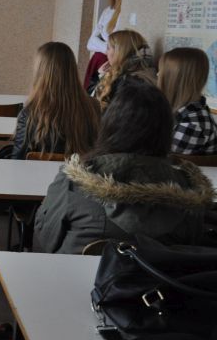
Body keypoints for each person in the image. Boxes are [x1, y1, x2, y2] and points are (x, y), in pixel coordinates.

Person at [34, 77, 214, 255]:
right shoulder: (191, 193)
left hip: (75, 272)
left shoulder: (73, 181)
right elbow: (191, 247)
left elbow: (45, 240)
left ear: (109, 125)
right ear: (166, 132)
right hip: (161, 275)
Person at [12, 42, 100, 159]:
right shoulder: (94, 107)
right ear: (72, 69)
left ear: (40, 72)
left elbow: (17, 160)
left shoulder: (29, 114)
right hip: (80, 170)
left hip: (37, 171)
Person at [158, 47, 217, 155]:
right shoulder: (186, 110)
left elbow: (159, 159)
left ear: (173, 79)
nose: (158, 75)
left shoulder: (191, 125)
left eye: (161, 71)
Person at [93, 29, 155, 110]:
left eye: (108, 48)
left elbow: (98, 108)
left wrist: (99, 77)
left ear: (119, 52)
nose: (106, 52)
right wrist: (100, 76)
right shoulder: (130, 75)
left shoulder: (129, 82)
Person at [84, 0, 124, 92]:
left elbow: (117, 46)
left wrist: (101, 44)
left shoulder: (123, 12)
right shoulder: (107, 11)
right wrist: (107, 48)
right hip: (98, 61)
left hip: (109, 63)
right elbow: (90, 43)